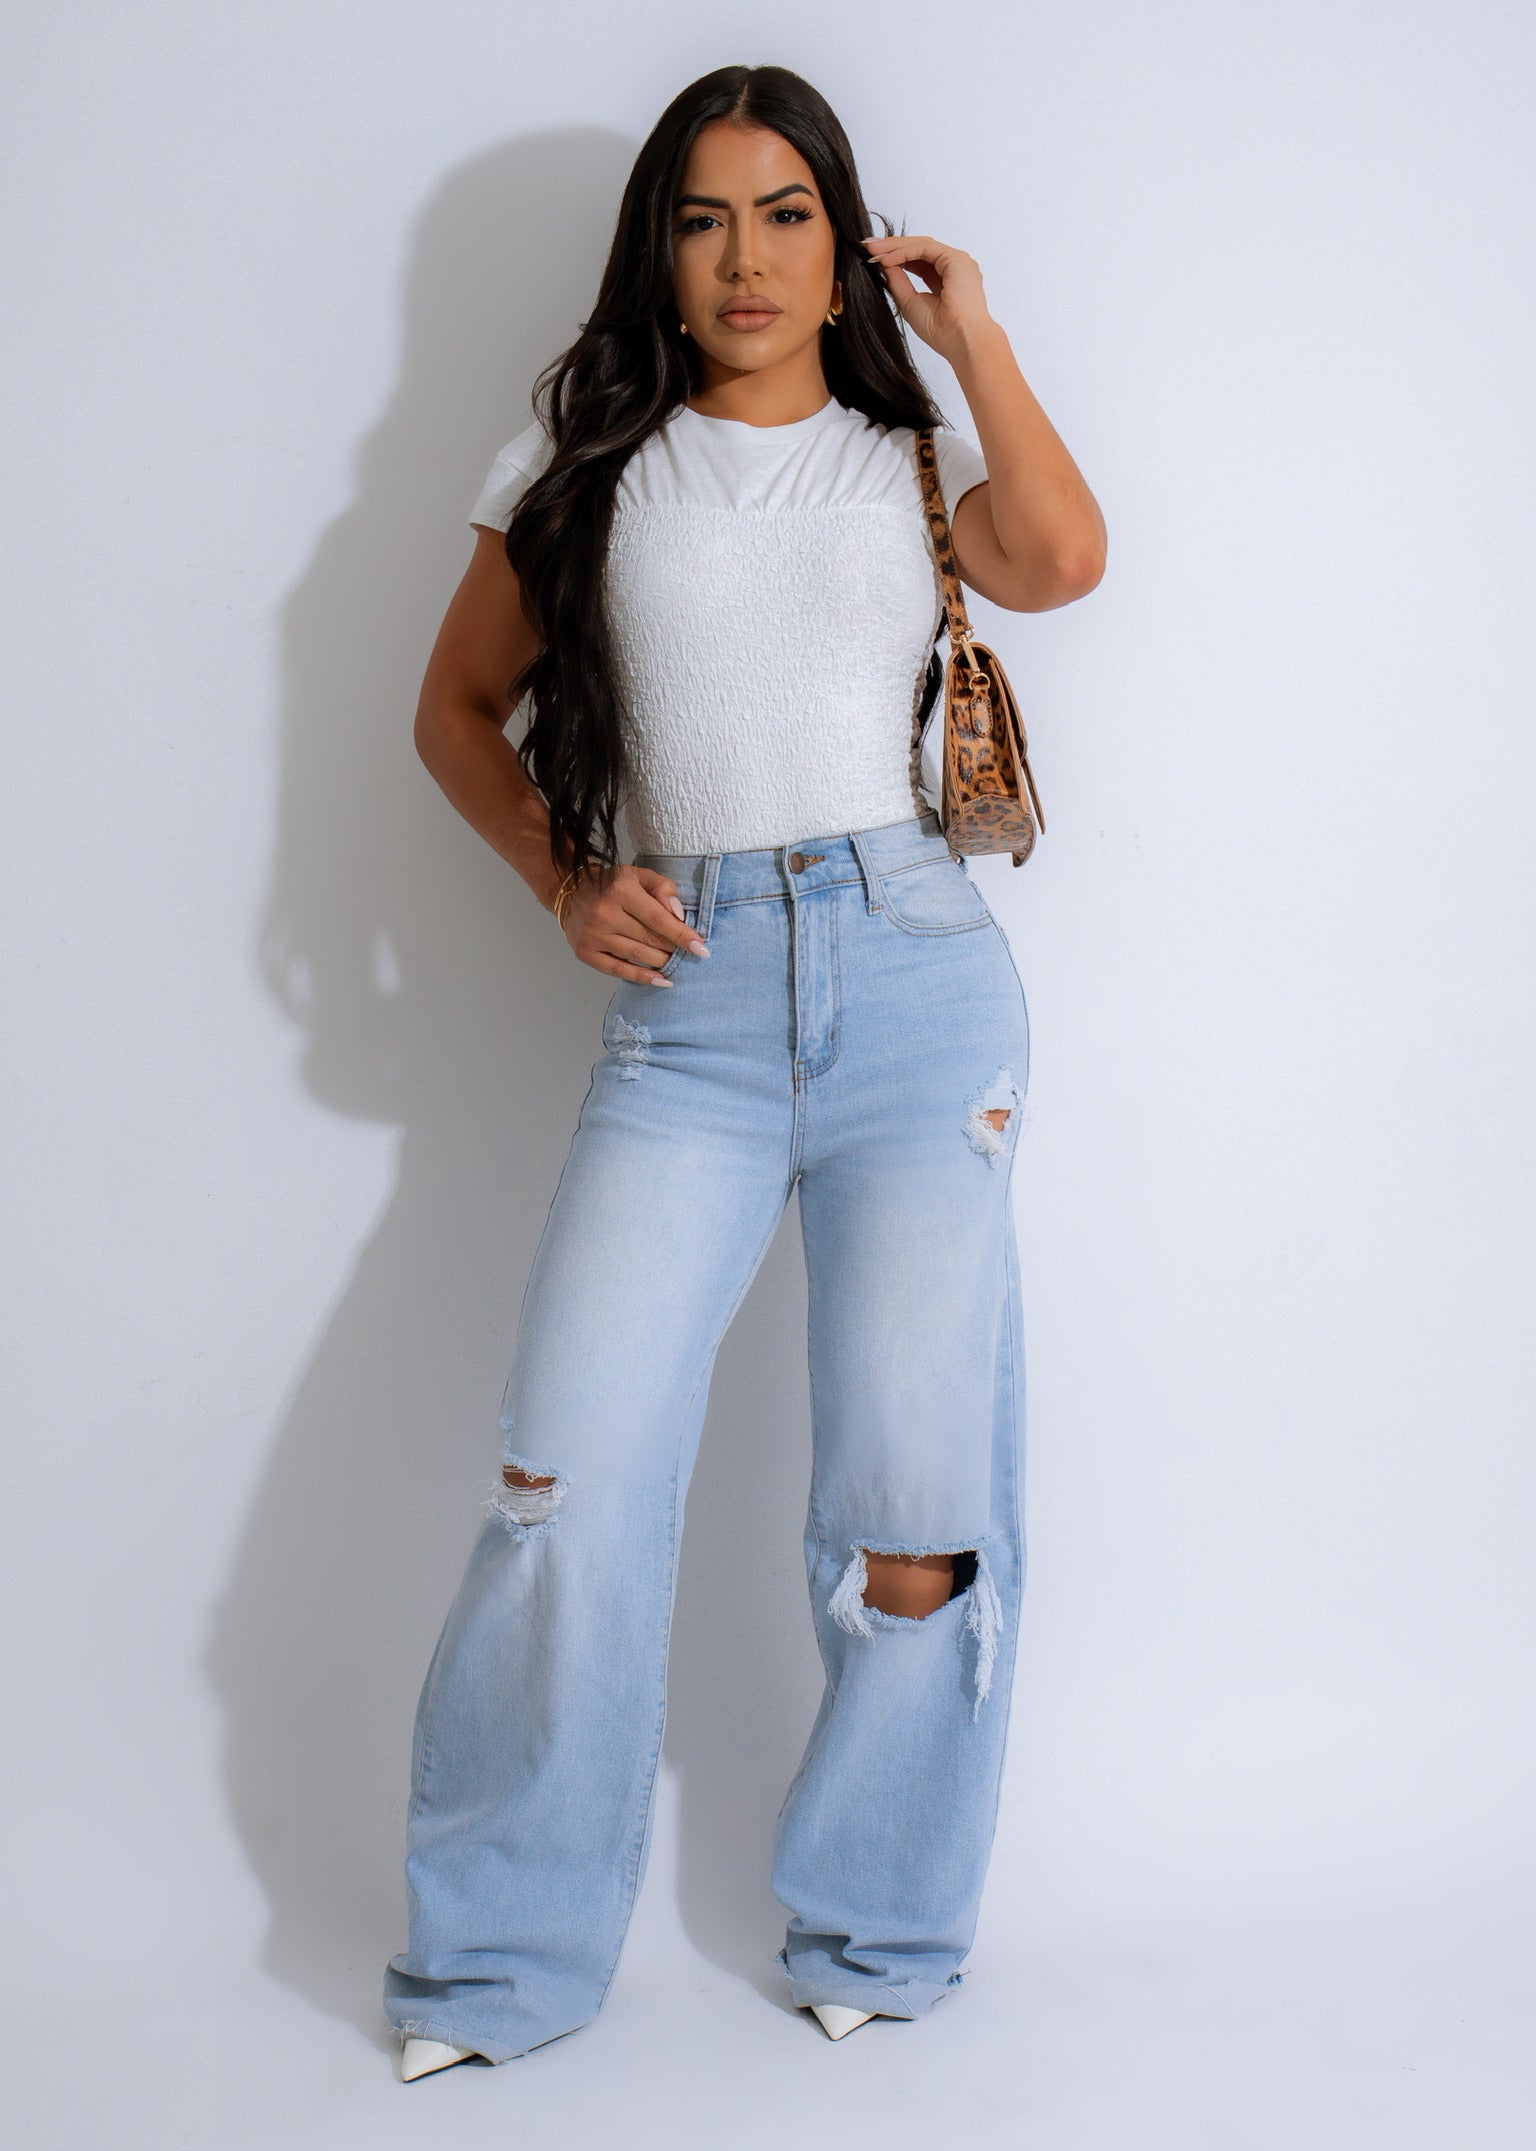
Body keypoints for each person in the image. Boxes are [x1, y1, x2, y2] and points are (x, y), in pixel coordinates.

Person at [383, 61, 1105, 2079]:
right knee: (564, 1477)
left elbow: (1061, 560)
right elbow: (453, 709)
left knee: (912, 1504)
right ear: (660, 247)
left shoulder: (904, 452)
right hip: (686, 1019)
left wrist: (973, 336)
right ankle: (497, 1963)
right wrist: (561, 880)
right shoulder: (582, 455)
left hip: (916, 988)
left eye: (787, 215)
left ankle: (880, 1923)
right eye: (704, 219)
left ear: (844, 242)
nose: (745, 259)